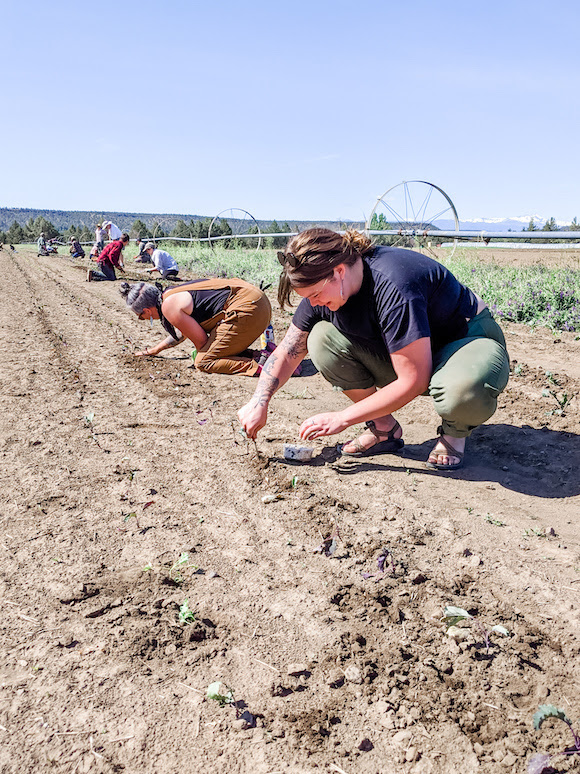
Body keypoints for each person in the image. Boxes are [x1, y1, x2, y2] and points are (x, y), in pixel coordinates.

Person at [238, 228, 510, 470]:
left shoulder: (394, 285)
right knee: (320, 339)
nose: (314, 303)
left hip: (463, 342)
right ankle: (384, 430)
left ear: (339, 272)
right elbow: (288, 350)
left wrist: (343, 418)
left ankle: (454, 434)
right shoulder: (323, 287)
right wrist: (259, 402)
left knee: (462, 389)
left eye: (316, 295)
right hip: (410, 350)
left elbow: (413, 380)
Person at [119, 277, 272, 376]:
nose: (142, 319)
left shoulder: (168, 307)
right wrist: (153, 351)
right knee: (214, 350)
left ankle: (265, 369)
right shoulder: (171, 293)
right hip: (258, 301)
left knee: (203, 361)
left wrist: (208, 354)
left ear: (146, 310)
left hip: (248, 310)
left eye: (141, 316)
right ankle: (264, 355)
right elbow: (181, 334)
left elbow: (202, 343)